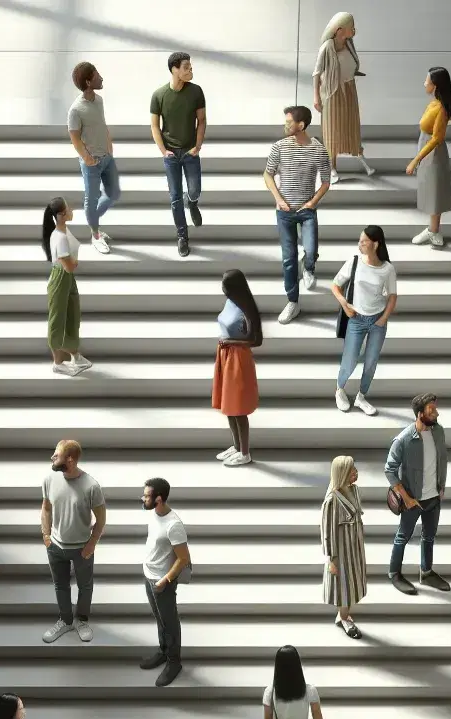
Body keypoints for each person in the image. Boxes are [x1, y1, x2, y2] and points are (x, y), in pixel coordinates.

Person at [265, 105, 332, 325]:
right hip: (284, 212)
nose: (285, 125)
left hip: (307, 211)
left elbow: (325, 181)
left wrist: (313, 202)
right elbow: (268, 174)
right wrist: (278, 199)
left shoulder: (319, 150)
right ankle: (292, 302)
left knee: (311, 250)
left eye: (288, 122)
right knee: (288, 259)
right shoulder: (279, 147)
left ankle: (309, 267)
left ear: (300, 125)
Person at [383, 393, 451, 595]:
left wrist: (441, 487)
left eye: (435, 408)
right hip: (413, 500)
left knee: (429, 537)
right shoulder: (403, 439)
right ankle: (394, 573)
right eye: (432, 410)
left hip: (433, 498)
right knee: (402, 537)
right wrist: (406, 498)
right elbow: (389, 469)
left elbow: (442, 460)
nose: (436, 413)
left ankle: (426, 572)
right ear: (420, 414)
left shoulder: (439, 432)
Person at [40, 440, 106, 644]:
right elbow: (46, 508)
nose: (52, 457)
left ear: (70, 459)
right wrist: (46, 536)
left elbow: (101, 518)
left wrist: (91, 544)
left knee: (85, 586)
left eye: (56, 455)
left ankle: (82, 620)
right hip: (56, 546)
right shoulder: (50, 479)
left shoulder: (91, 486)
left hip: (82, 548)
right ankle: (66, 620)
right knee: (60, 585)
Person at [331, 226, 398, 414]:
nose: (360, 243)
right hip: (357, 319)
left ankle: (361, 396)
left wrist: (383, 319)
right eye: (360, 240)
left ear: (375, 244)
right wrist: (345, 305)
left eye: (364, 241)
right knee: (350, 359)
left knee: (371, 361)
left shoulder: (387, 269)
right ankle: (340, 389)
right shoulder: (354, 262)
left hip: (377, 320)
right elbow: (335, 286)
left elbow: (393, 296)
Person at [151, 51, 207, 257]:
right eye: (186, 67)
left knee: (195, 190)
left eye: (191, 67)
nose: (190, 70)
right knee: (174, 198)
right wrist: (163, 151)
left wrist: (198, 146)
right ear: (174, 69)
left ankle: (192, 202)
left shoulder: (196, 91)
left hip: (191, 151)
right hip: (171, 155)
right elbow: (155, 126)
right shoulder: (159, 95)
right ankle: (182, 236)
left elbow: (201, 120)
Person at [141, 477, 191, 687]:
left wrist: (166, 579)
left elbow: (183, 558)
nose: (142, 498)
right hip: (149, 575)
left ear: (158, 499)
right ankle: (164, 651)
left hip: (163, 581)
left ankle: (174, 661)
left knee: (170, 621)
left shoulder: (174, 525)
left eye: (146, 496)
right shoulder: (154, 514)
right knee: (159, 618)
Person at [313, 12, 373, 183]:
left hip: (349, 88)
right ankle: (331, 167)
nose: (354, 30)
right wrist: (316, 97)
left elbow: (351, 64)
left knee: (351, 124)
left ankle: (358, 155)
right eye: (351, 27)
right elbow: (316, 73)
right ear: (340, 30)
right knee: (332, 129)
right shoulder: (327, 47)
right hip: (332, 92)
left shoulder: (349, 44)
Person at [68, 62, 120, 254]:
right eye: (97, 75)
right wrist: (87, 158)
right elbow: (74, 137)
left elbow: (102, 124)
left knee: (113, 193)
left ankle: (93, 222)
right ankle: (95, 234)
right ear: (89, 82)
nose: (101, 77)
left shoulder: (99, 100)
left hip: (107, 157)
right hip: (91, 163)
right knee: (92, 198)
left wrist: (109, 144)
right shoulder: (76, 110)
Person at [212, 270, 262, 467]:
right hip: (225, 354)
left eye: (225, 284)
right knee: (228, 406)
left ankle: (245, 452)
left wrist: (229, 341)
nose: (222, 288)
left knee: (238, 407)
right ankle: (235, 445)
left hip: (238, 358)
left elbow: (256, 340)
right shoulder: (230, 301)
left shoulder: (247, 308)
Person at [406, 67, 451, 248]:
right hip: (426, 147)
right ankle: (432, 228)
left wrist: (415, 159)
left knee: (435, 190)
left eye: (427, 80)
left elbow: (436, 138)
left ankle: (433, 230)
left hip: (433, 153)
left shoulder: (441, 109)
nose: (424, 83)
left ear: (435, 85)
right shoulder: (433, 104)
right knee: (429, 188)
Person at [42, 196, 90, 376]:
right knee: (58, 319)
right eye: (68, 210)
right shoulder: (60, 237)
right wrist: (75, 262)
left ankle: (75, 356)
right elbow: (68, 265)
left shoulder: (63, 230)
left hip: (67, 278)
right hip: (61, 277)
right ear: (62, 215)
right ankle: (58, 362)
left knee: (72, 314)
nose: (71, 212)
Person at [321, 455, 367, 639]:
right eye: (351, 470)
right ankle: (343, 617)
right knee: (343, 586)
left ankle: (345, 613)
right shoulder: (332, 501)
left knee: (353, 582)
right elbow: (327, 530)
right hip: (341, 550)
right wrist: (332, 557)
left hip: (354, 547)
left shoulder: (354, 491)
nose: (355, 472)